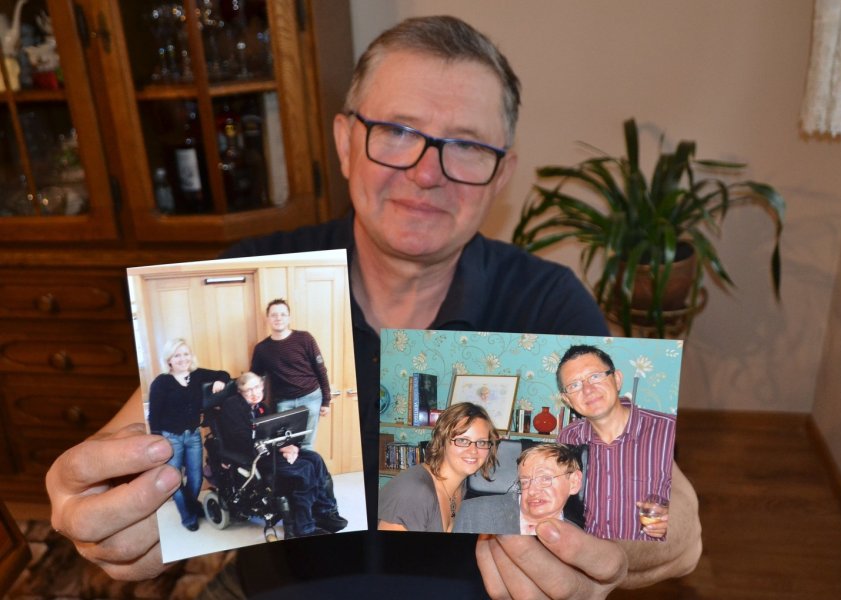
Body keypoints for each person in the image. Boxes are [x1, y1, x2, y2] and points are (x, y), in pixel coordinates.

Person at [45, 15, 701, 598]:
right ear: (344, 140)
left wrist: (634, 552)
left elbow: (670, 520)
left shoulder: (546, 302)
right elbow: (124, 444)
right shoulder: (259, 273)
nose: (426, 171)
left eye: (467, 145)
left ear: (501, 174)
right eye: (396, 130)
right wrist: (98, 502)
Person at [556, 344, 674, 541]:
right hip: (588, 554)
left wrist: (675, 520)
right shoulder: (567, 438)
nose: (588, 389)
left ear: (617, 379)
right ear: (567, 400)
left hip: (648, 555)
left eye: (595, 376)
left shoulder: (670, 431)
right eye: (574, 385)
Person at [212, 371, 347, 537]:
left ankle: (324, 512)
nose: (254, 393)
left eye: (257, 387)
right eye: (249, 390)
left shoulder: (263, 407)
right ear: (240, 392)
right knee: (304, 469)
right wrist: (280, 447)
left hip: (269, 450)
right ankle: (304, 527)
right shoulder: (232, 406)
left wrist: (291, 446)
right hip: (252, 455)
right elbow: (241, 438)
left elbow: (277, 431)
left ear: (262, 386)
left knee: (315, 459)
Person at [146, 338, 230, 532]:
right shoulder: (161, 382)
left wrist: (221, 380)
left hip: (193, 435)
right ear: (169, 360)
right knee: (174, 478)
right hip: (170, 437)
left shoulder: (197, 375)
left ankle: (190, 505)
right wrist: (158, 441)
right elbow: (154, 416)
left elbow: (223, 373)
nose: (183, 359)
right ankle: (188, 516)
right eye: (177, 355)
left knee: (196, 478)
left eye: (185, 354)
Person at [379, 402, 499, 532]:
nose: (473, 450)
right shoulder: (414, 493)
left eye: (481, 442)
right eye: (463, 440)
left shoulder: (463, 487)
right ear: (442, 441)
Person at [250, 298, 331, 449]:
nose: (278, 318)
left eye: (283, 314)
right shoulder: (262, 348)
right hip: (283, 403)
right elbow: (254, 378)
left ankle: (306, 465)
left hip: (311, 398)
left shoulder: (305, 338)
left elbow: (321, 369)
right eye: (274, 315)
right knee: (285, 446)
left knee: (306, 445)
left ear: (289, 318)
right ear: (267, 318)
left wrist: (326, 400)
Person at [454, 442, 583, 535]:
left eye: (544, 479)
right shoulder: (473, 514)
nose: (532, 491)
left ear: (574, 482)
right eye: (525, 481)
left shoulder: (576, 537)